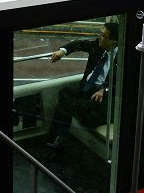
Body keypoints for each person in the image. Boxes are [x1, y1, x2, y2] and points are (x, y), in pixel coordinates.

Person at [45, 21, 118, 149]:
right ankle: (59, 138)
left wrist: (104, 90)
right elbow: (78, 44)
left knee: (65, 104)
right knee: (65, 92)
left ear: (114, 41)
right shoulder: (98, 46)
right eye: (100, 34)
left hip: (101, 97)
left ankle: (58, 137)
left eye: (103, 36)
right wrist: (63, 51)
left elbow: (124, 83)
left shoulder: (123, 58)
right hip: (85, 87)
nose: (99, 38)